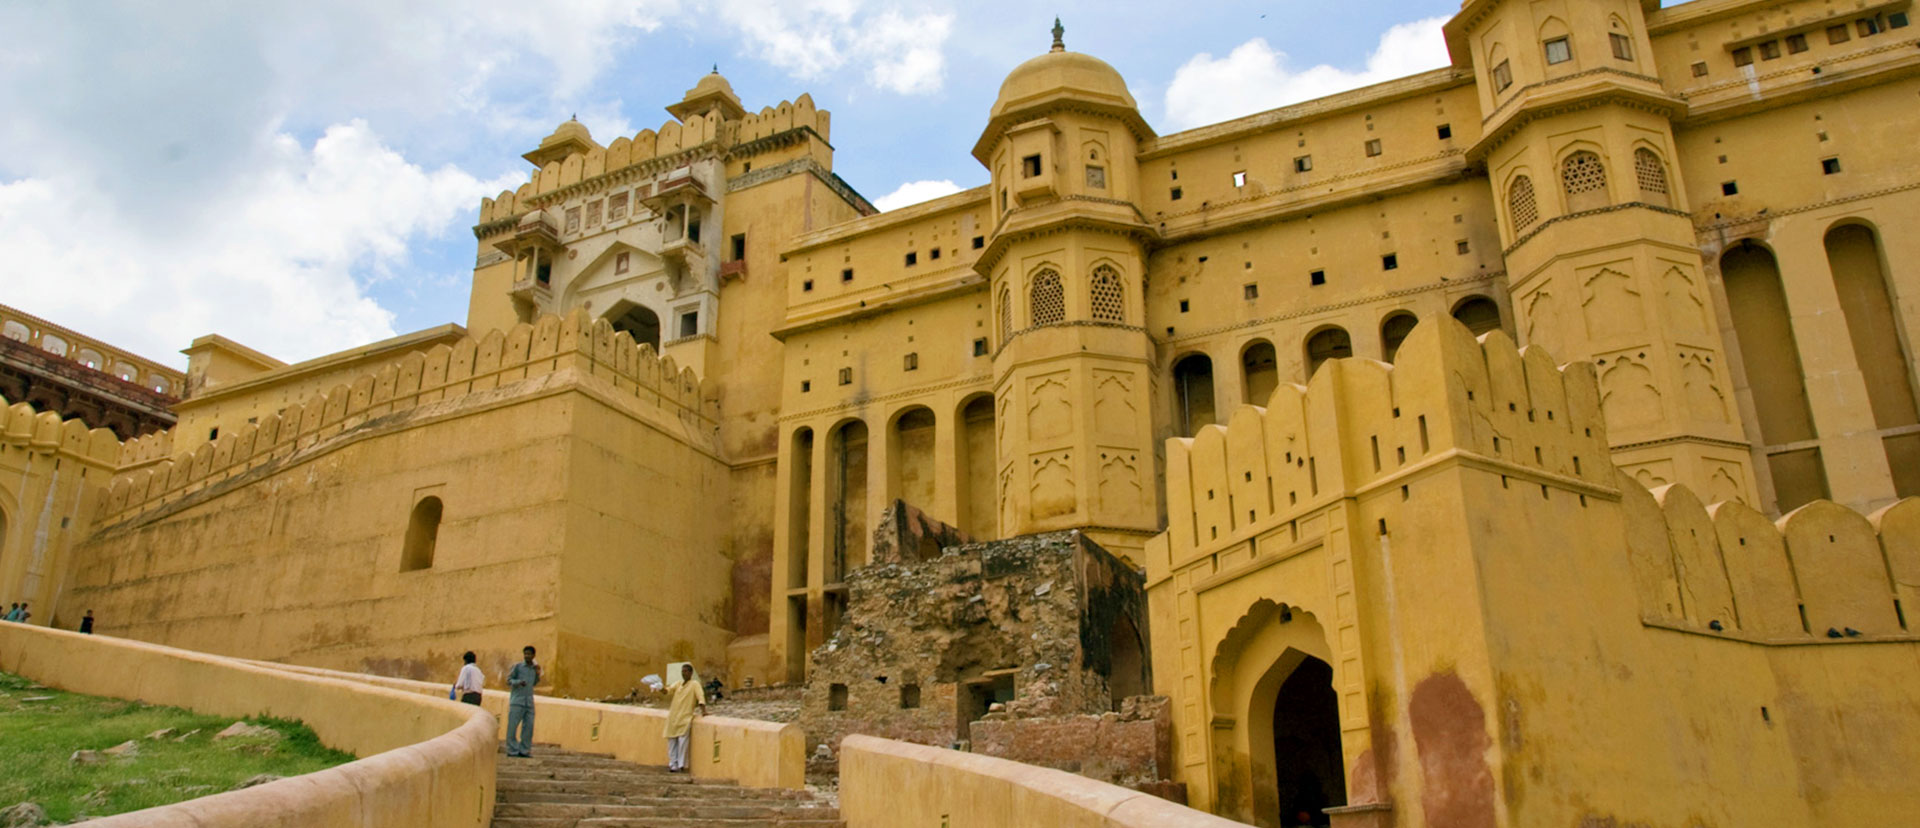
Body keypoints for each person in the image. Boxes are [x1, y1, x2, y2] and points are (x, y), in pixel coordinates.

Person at [664, 664, 706, 773]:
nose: (684, 673)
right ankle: (673, 764)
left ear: (691, 673)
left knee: (682, 741)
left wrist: (704, 711)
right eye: (683, 671)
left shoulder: (694, 684)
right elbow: (667, 691)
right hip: (674, 716)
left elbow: (700, 697)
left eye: (686, 671)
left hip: (685, 717)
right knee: (672, 740)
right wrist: (659, 687)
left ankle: (681, 764)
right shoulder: (678, 684)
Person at [505, 646, 540, 757]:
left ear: (533, 656)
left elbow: (534, 683)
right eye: (525, 654)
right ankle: (512, 750)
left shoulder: (534, 669)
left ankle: (525, 750)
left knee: (529, 727)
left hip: (529, 701)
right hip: (517, 700)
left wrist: (538, 673)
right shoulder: (518, 667)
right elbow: (508, 680)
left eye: (529, 654)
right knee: (512, 726)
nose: (527, 656)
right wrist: (518, 682)